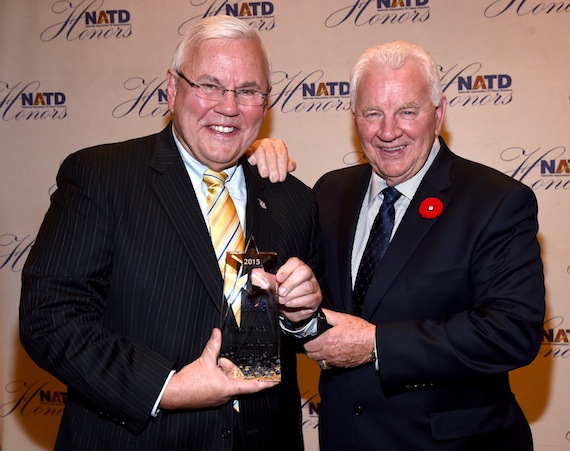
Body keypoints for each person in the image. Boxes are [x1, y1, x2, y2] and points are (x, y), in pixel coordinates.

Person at [19, 16, 324, 451]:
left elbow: (305, 335)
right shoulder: (102, 178)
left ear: (266, 102)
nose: (228, 105)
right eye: (209, 84)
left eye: (248, 91)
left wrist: (304, 314)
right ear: (172, 88)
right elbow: (49, 319)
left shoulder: (291, 198)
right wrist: (167, 387)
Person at [259, 41, 545, 450]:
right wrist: (247, 159)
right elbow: (306, 303)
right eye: (373, 113)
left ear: (439, 113)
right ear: (355, 117)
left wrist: (376, 345)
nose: (388, 130)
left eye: (407, 111)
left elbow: (512, 332)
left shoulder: (496, 201)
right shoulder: (330, 192)